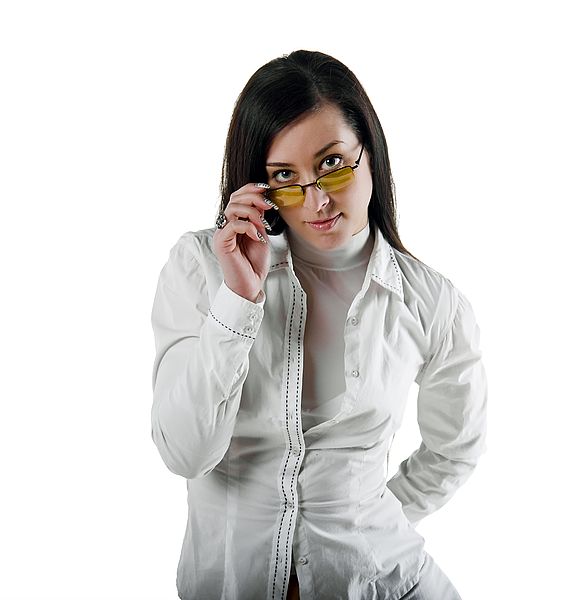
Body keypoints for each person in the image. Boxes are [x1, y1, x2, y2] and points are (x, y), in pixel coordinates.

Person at [150, 50, 487, 600]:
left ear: (370, 151)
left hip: (389, 585)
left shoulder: (433, 303)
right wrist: (238, 298)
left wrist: (364, 527)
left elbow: (455, 448)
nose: (317, 200)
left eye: (332, 163)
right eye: (285, 176)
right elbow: (185, 453)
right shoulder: (200, 269)